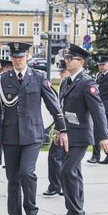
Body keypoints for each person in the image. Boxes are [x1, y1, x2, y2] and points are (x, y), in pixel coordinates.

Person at [0, 42, 68, 215]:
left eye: (21, 57)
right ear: (11, 59)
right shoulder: (3, 79)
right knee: (12, 179)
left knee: (26, 172)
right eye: (14, 57)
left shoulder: (38, 77)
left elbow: (53, 104)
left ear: (27, 58)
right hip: (10, 135)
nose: (17, 60)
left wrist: (62, 129)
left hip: (32, 134)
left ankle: (32, 211)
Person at [56, 45, 108, 215]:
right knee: (74, 171)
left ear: (80, 61)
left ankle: (74, 211)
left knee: (67, 170)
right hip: (68, 134)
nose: (66, 61)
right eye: (66, 58)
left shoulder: (87, 83)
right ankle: (76, 210)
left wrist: (103, 136)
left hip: (80, 135)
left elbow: (98, 111)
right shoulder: (66, 82)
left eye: (70, 59)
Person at [44, 59, 70, 196]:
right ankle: (59, 186)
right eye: (60, 71)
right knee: (59, 156)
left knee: (58, 156)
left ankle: (58, 186)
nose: (60, 74)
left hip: (69, 125)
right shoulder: (64, 82)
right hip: (62, 123)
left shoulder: (72, 82)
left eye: (63, 71)